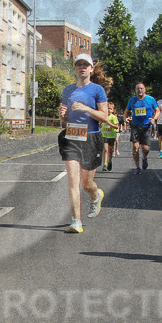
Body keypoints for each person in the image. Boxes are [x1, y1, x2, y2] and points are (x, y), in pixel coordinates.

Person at [58, 54, 110, 233]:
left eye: (85, 65)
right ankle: (76, 221)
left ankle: (96, 195)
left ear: (91, 69)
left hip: (92, 138)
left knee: (86, 183)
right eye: (78, 64)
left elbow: (104, 116)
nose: (82, 67)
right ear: (75, 68)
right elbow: (65, 119)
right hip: (72, 136)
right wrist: (62, 114)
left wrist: (86, 108)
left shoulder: (97, 90)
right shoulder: (68, 91)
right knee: (73, 179)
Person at [125, 82, 159, 174]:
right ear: (135, 90)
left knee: (146, 148)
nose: (140, 90)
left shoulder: (150, 99)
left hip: (146, 126)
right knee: (135, 147)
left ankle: (144, 157)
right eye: (138, 88)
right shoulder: (132, 100)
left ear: (145, 89)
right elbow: (127, 111)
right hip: (135, 126)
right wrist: (127, 118)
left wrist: (154, 119)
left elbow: (158, 110)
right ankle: (137, 167)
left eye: (141, 88)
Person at [101, 102, 120, 172]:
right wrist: (101, 123)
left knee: (110, 150)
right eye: (107, 108)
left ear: (113, 110)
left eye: (110, 109)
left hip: (111, 135)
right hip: (104, 135)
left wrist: (109, 123)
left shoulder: (113, 117)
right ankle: (105, 164)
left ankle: (110, 161)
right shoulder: (103, 116)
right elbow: (99, 125)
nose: (108, 110)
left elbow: (116, 126)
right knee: (105, 149)